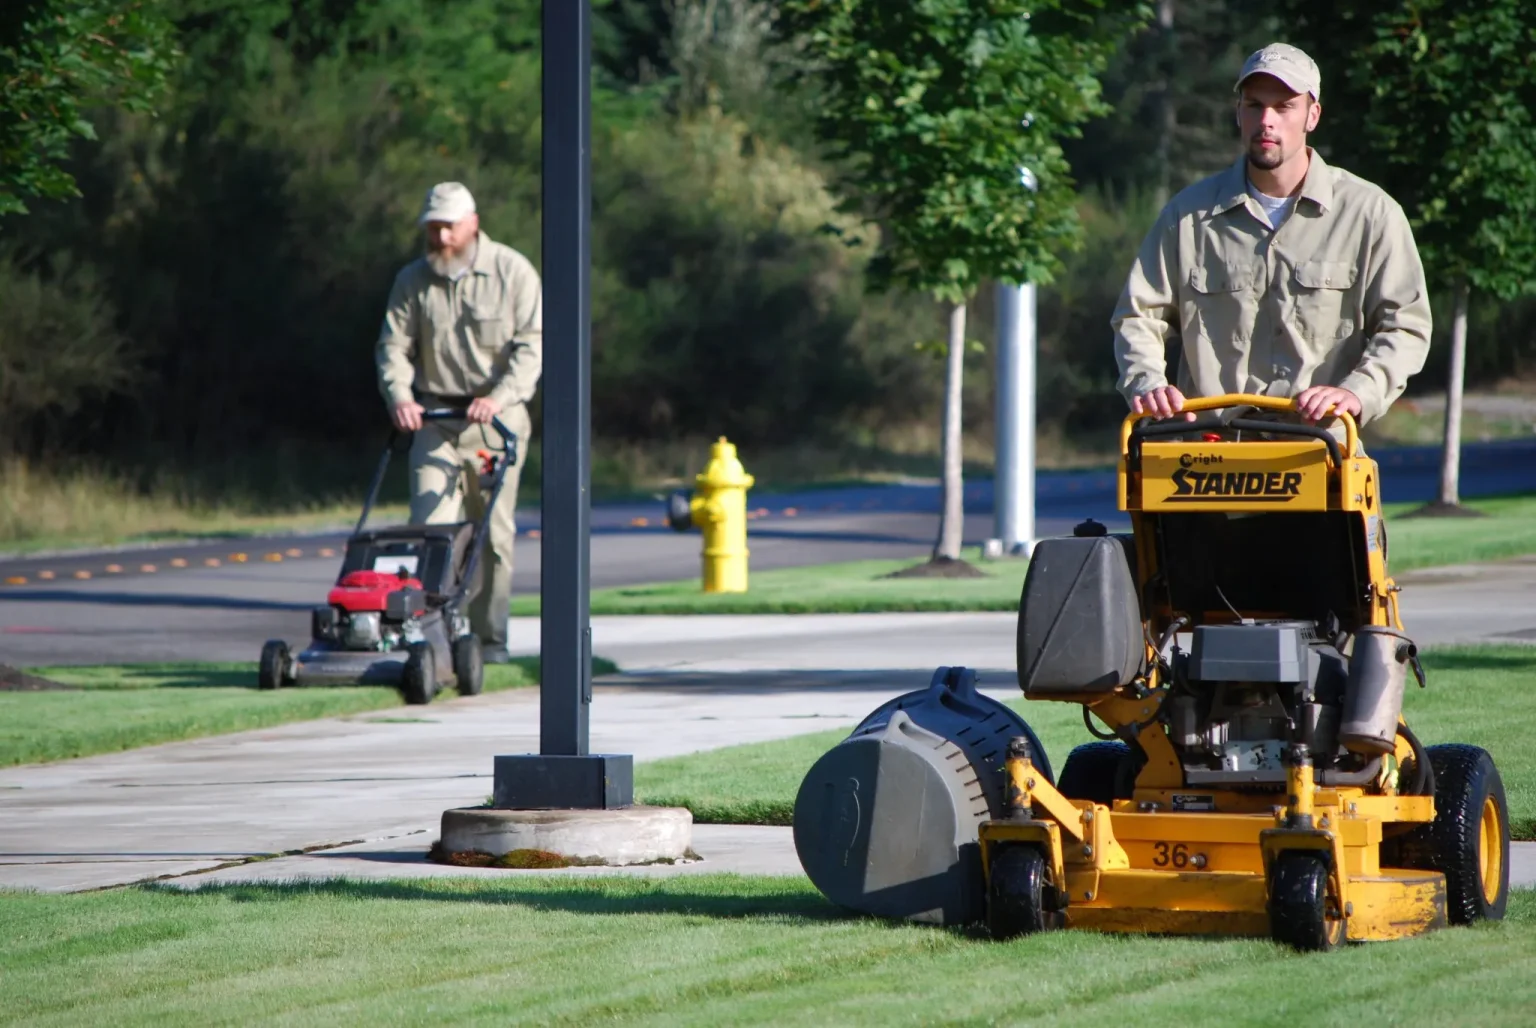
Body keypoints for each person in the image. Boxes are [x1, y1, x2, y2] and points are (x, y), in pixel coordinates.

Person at [1111, 42, 1433, 436]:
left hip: (1321, 453)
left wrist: (1357, 393)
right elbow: (1137, 316)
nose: (1267, 120)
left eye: (1284, 107)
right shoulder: (1187, 216)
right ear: (1238, 113)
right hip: (1209, 461)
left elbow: (1405, 326)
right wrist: (1148, 384)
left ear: (1312, 115)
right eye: (1254, 105)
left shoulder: (1370, 214)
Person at [375, 182, 542, 663]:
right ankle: (433, 640)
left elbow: (531, 349)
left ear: (472, 222)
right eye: (433, 226)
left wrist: (499, 397)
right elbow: (393, 347)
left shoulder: (513, 273)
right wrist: (401, 397)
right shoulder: (412, 280)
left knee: (492, 533)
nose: (441, 236)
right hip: (435, 419)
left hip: (496, 422)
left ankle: (489, 642)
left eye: (449, 226)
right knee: (431, 532)